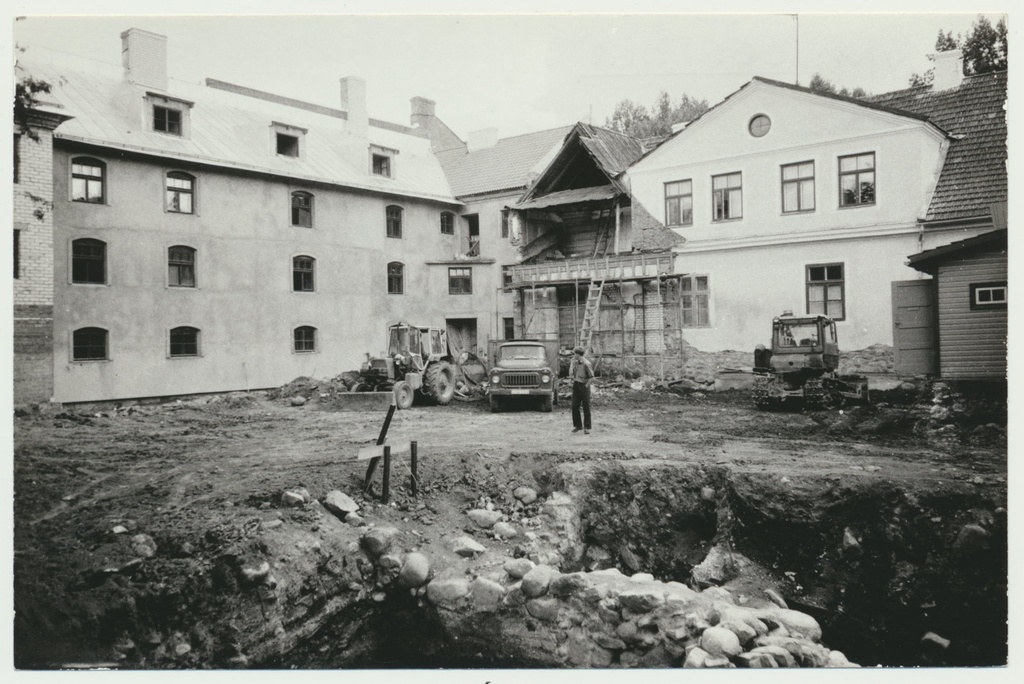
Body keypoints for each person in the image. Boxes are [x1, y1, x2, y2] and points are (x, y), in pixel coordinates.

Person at [569, 346, 594, 434]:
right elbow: (571, 374)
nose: (573, 355)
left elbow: (591, 377)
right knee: (574, 406)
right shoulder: (575, 363)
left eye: (574, 353)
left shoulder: (587, 363)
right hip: (576, 385)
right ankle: (578, 425)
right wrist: (571, 364)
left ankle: (587, 427)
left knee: (586, 407)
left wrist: (586, 386)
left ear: (577, 354)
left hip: (584, 386)